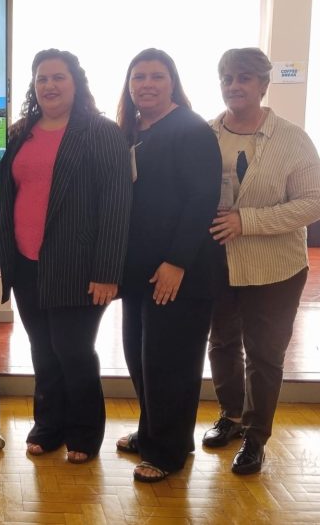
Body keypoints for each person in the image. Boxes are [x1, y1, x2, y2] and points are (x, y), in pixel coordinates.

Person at [0, 48, 132, 463]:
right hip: (26, 263)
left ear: (76, 83)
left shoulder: (101, 132)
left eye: (58, 77)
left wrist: (107, 271)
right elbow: (2, 195)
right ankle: (49, 425)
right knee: (43, 351)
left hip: (79, 269)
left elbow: (117, 206)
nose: (49, 85)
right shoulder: (20, 132)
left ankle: (83, 432)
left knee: (74, 351)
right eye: (42, 78)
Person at [204, 48, 320, 475]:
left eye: (245, 78)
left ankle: (255, 437)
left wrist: (246, 221)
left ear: (263, 85)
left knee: (266, 355)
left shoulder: (293, 139)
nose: (235, 86)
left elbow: (313, 203)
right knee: (221, 344)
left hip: (276, 269)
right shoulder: (206, 133)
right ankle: (231, 416)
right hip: (218, 264)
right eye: (228, 78)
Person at [115, 48, 222, 483]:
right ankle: (155, 432)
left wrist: (177, 262)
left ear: (173, 82)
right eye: (138, 76)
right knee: (141, 359)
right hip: (140, 271)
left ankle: (168, 453)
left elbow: (201, 200)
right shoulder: (133, 130)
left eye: (157, 76)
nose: (147, 84)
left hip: (181, 272)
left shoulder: (191, 129)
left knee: (171, 363)